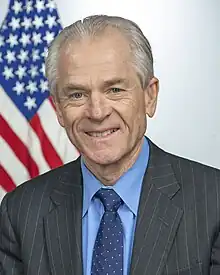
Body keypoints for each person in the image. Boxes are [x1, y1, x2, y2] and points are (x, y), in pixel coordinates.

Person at [0, 15, 219, 275]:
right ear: (58, 109)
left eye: (114, 90)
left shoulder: (213, 201)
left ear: (150, 96)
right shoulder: (20, 212)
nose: (97, 112)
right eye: (77, 94)